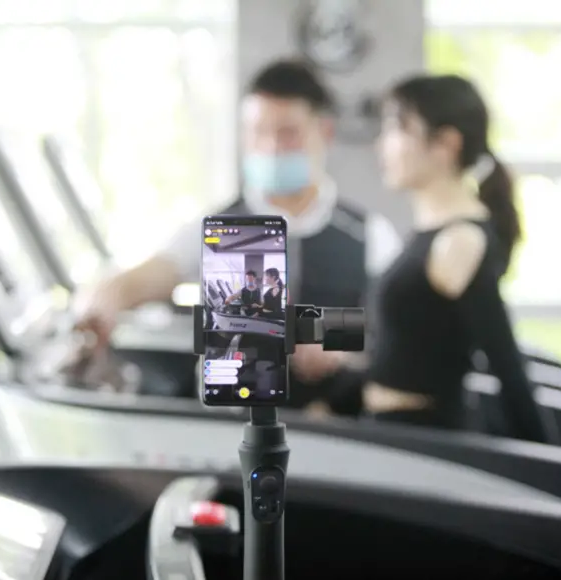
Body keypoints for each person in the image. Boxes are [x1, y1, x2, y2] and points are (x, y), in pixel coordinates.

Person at [75, 58, 402, 404]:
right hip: (237, 419)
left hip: (338, 423)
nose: (271, 146)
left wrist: (332, 340)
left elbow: (396, 328)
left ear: (323, 132)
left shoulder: (369, 234)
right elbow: (143, 279)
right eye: (258, 131)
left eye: (287, 133)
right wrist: (99, 302)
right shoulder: (216, 227)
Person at [362, 73, 557, 444]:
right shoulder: (431, 233)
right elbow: (399, 338)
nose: (382, 146)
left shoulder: (460, 241)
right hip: (390, 436)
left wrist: (554, 475)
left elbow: (508, 367)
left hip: (423, 443)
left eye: (397, 130)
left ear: (446, 144)